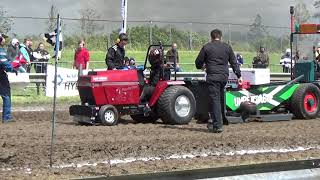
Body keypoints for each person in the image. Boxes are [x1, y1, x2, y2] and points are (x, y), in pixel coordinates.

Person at [195, 29, 242, 133]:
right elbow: (234, 63)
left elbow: (197, 63)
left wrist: (203, 66)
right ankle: (221, 120)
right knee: (219, 99)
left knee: (215, 100)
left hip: (212, 77)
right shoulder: (227, 47)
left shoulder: (207, 47)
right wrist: (239, 75)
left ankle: (217, 125)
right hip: (224, 77)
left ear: (211, 37)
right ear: (221, 37)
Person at [0, 33, 17, 123]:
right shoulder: (1, 51)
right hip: (1, 76)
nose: (4, 40)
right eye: (3, 38)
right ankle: (6, 117)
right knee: (6, 95)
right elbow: (5, 63)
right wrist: (12, 69)